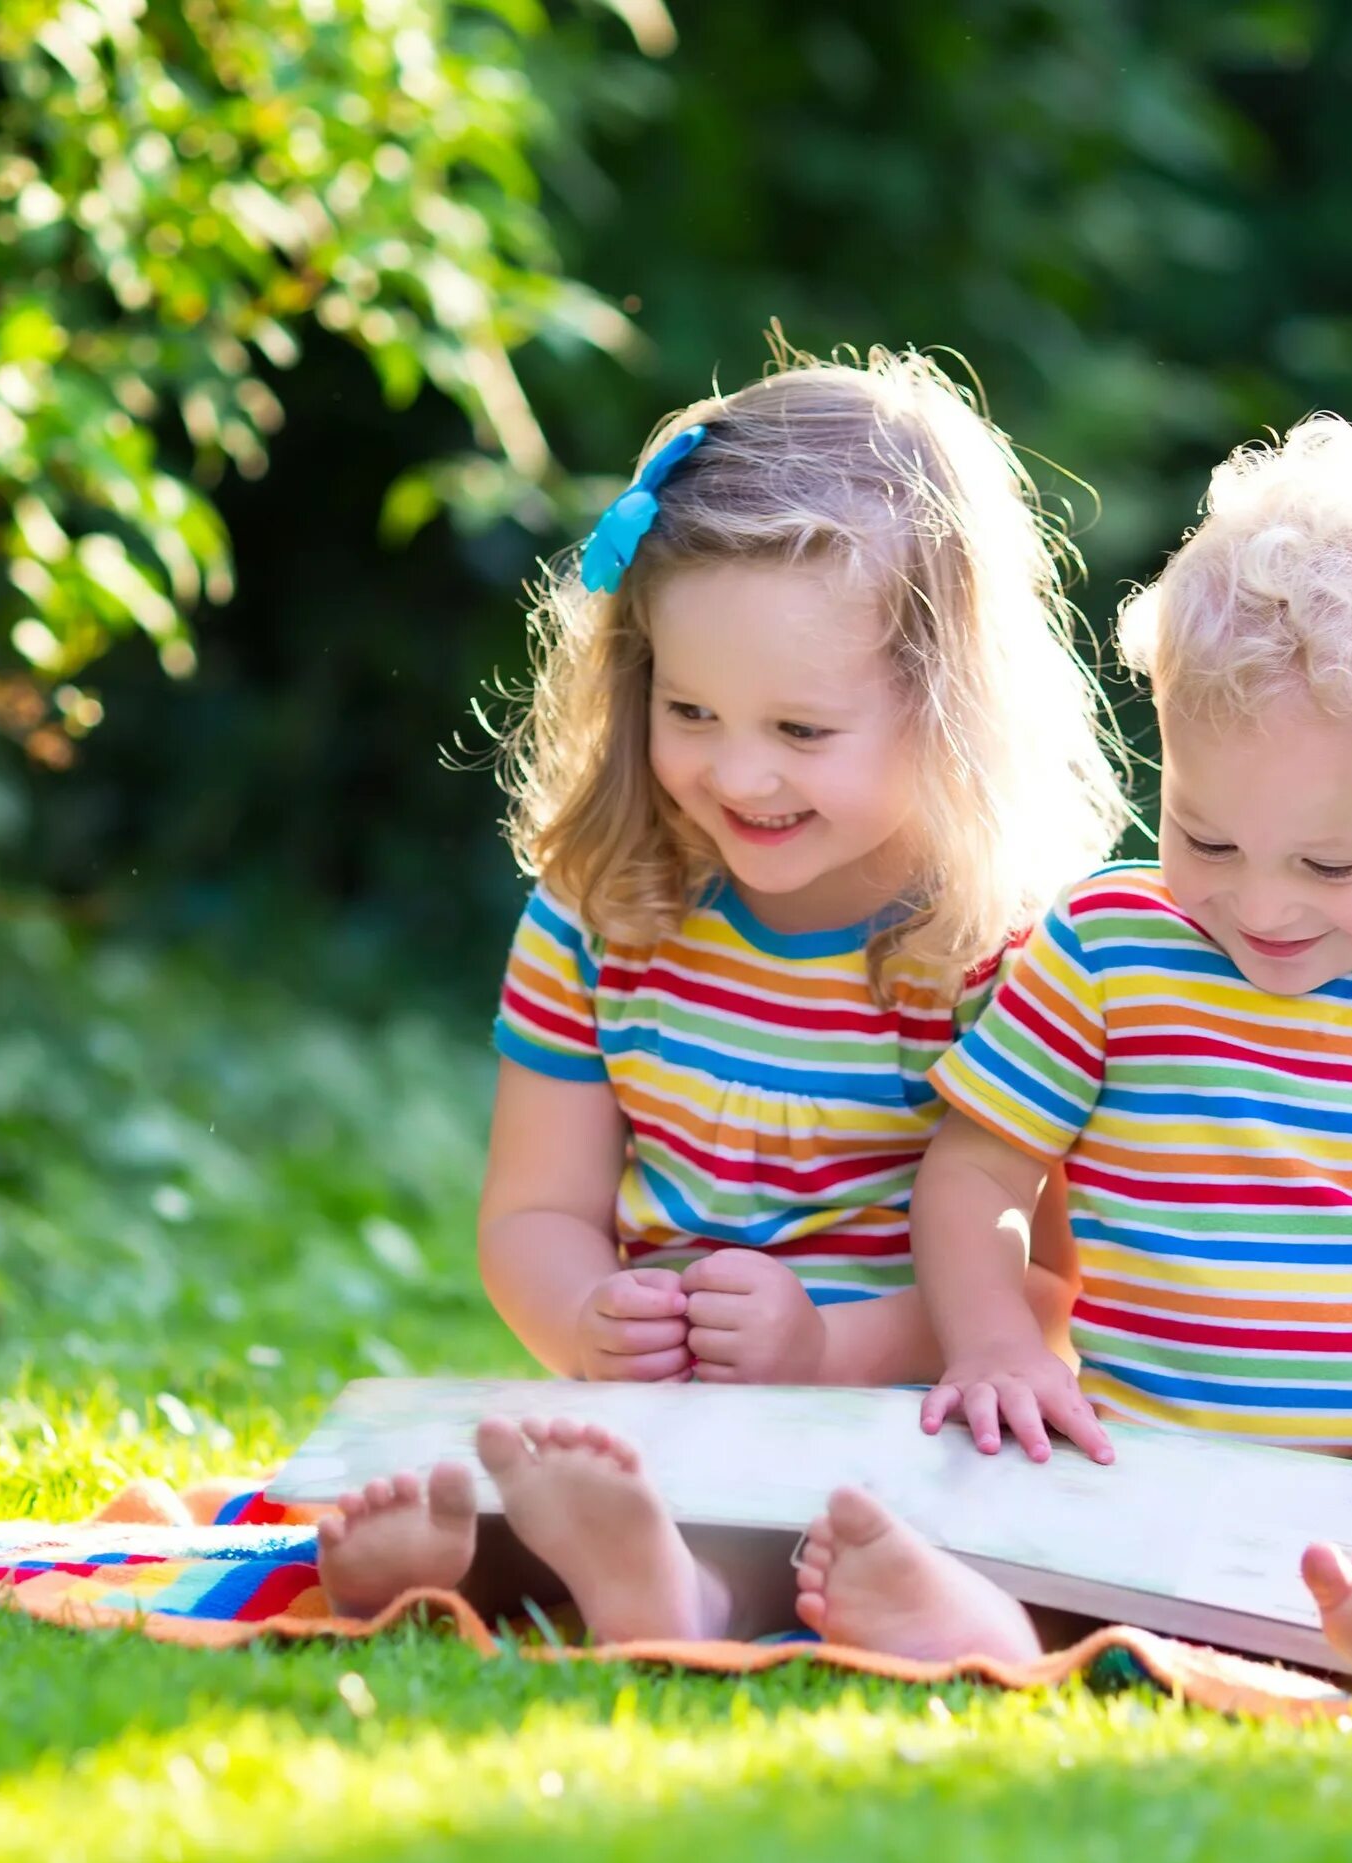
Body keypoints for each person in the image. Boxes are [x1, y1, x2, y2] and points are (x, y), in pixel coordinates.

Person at [789, 415, 1352, 1712]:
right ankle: (974, 1622)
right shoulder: (1107, 950)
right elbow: (975, 1180)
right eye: (1205, 836)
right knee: (1013, 1504)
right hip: (1144, 1486)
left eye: (1329, 865)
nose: (1261, 906)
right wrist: (996, 1344)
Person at [310, 347, 1127, 1630]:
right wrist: (588, 1313)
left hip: (900, 1422)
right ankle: (529, 1556)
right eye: (691, 711)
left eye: (802, 730)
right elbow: (534, 1209)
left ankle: (678, 1591)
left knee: (858, 1506)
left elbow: (1045, 1295)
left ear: (948, 704)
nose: (741, 774)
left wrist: (825, 1352)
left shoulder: (1003, 957)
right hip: (665, 1423)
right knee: (582, 1461)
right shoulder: (605, 911)